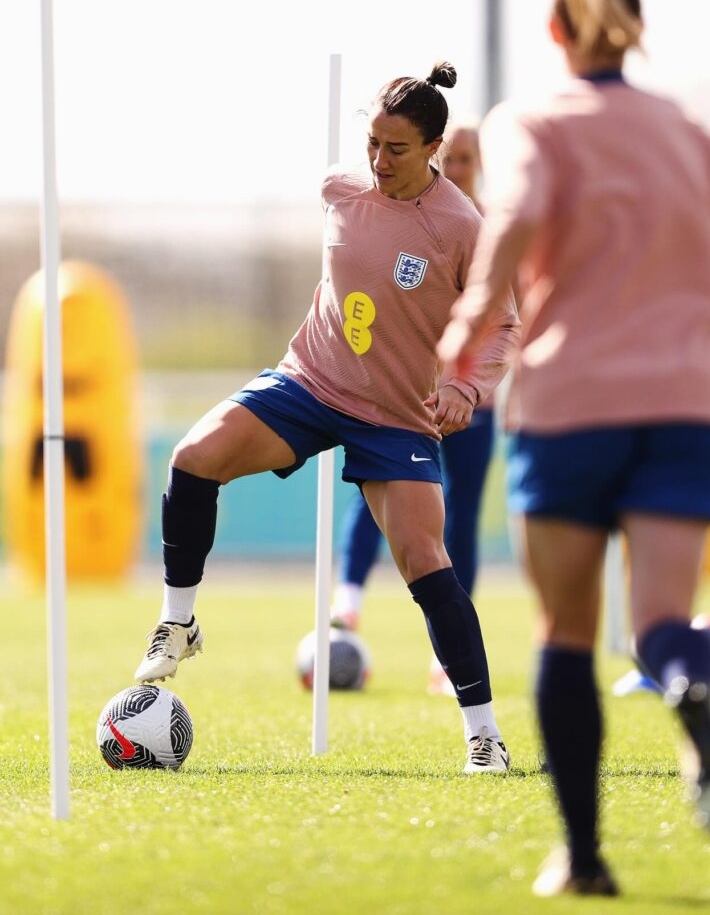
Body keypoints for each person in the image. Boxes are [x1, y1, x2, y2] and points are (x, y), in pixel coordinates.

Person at [438, 0, 710, 894]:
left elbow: (511, 219)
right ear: (633, 29)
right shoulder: (687, 130)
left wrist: (470, 318)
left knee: (565, 634)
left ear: (553, 29)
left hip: (571, 405)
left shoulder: (528, 122)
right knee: (661, 621)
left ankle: (584, 860)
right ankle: (688, 691)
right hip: (687, 408)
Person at [134, 61, 521, 774]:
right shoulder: (339, 190)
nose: (378, 161)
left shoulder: (461, 227)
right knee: (193, 457)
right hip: (309, 383)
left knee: (424, 561)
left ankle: (484, 737)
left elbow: (500, 324)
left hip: (395, 415)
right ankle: (178, 623)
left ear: (434, 147)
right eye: (372, 143)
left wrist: (465, 388)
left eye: (396, 149)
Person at [330, 122, 498, 697]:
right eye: (453, 156)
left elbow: (506, 319)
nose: (458, 166)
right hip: (404, 392)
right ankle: (346, 605)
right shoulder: (406, 209)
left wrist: (469, 385)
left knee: (458, 519)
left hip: (472, 403)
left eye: (470, 158)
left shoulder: (489, 229)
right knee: (378, 487)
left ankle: (446, 659)